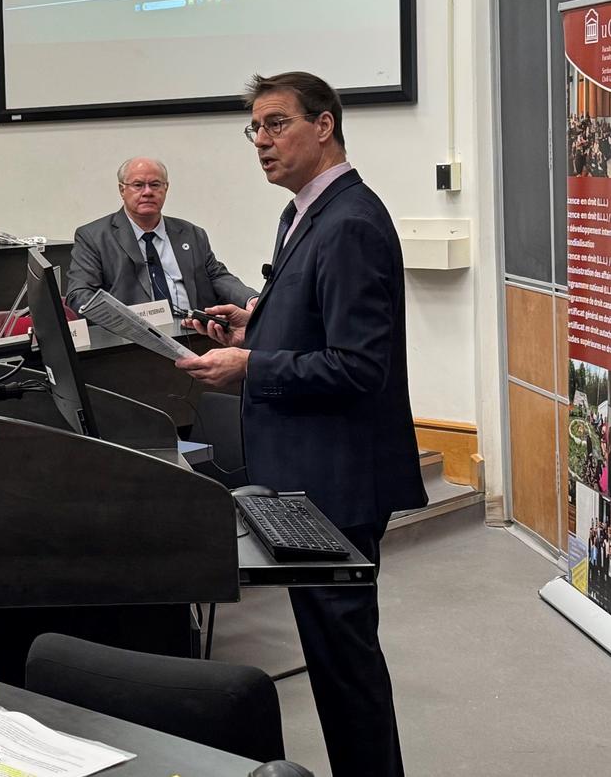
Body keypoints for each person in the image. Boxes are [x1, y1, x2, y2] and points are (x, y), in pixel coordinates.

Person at [177, 71, 426, 777]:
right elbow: (317, 318)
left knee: (347, 671)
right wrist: (256, 322)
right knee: (333, 665)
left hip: (336, 485)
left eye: (277, 123)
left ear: (324, 125)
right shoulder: (306, 212)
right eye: (254, 127)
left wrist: (250, 367)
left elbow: (357, 366)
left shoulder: (349, 221)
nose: (262, 141)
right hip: (310, 479)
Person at [65, 157, 255, 314]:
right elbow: (80, 294)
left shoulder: (191, 234)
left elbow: (217, 277)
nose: (147, 192)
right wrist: (124, 322)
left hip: (195, 334)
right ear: (122, 190)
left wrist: (251, 299)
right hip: (131, 343)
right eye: (138, 185)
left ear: (166, 188)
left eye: (155, 185)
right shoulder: (94, 237)